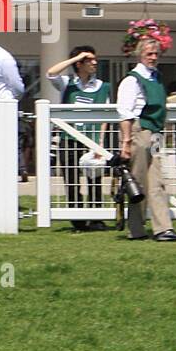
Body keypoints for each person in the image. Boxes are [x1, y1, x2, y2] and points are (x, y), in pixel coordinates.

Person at [117, 36, 176, 241]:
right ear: (140, 54)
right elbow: (125, 113)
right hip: (140, 132)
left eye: (156, 54)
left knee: (157, 181)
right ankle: (136, 229)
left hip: (155, 134)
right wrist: (126, 142)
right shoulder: (132, 80)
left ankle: (163, 229)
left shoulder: (155, 77)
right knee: (137, 182)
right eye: (149, 53)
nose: (153, 57)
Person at [46, 45, 110, 231]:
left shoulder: (102, 86)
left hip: (91, 141)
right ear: (80, 63)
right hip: (69, 139)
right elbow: (51, 73)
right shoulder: (68, 83)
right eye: (89, 60)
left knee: (94, 180)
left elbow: (104, 116)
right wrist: (76, 58)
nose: (94, 62)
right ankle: (77, 219)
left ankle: (97, 218)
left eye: (94, 59)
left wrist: (99, 144)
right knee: (72, 180)